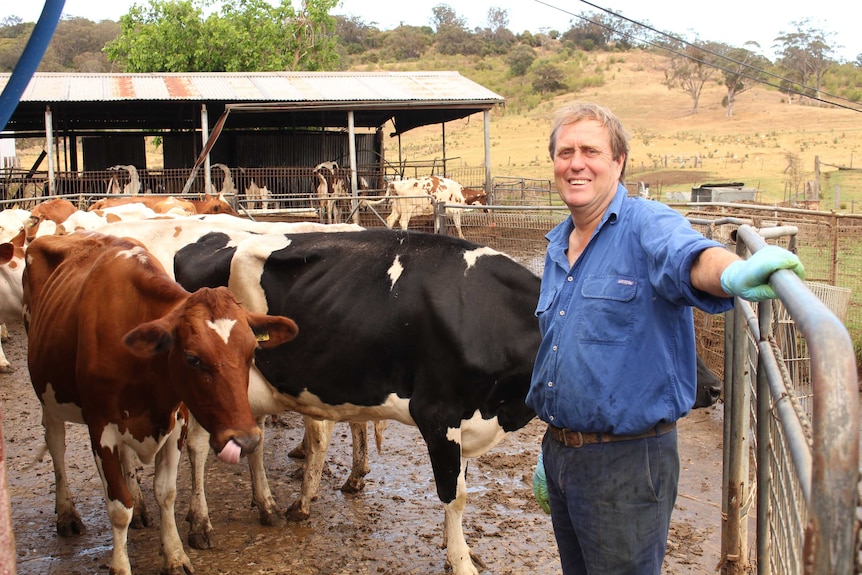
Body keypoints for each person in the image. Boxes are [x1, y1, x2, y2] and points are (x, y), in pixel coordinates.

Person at [527, 101, 804, 575]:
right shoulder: (558, 248)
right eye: (564, 151)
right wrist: (558, 441)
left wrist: (734, 272)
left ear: (618, 163)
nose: (575, 163)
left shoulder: (646, 225)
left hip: (628, 462)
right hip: (562, 455)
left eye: (590, 151)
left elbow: (691, 255)